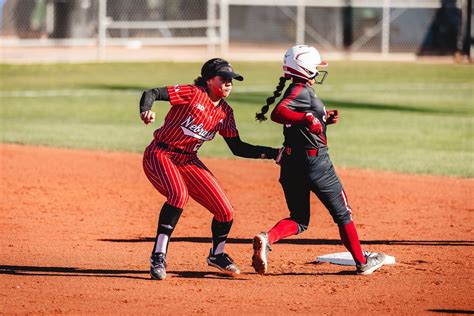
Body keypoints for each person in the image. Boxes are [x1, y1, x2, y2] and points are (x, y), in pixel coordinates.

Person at [139, 58, 279, 280]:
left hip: (188, 160)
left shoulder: (225, 113)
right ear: (208, 79)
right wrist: (146, 110)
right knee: (178, 196)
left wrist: (273, 153)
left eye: (231, 80)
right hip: (161, 153)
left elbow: (237, 147)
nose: (229, 84)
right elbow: (152, 93)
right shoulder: (193, 93)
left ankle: (217, 254)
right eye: (223, 79)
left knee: (225, 211)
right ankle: (158, 255)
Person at [252, 45, 386, 275]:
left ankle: (268, 237)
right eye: (316, 66)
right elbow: (279, 113)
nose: (318, 69)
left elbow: (298, 119)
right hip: (316, 165)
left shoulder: (298, 90)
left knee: (300, 219)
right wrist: (307, 118)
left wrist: (323, 119)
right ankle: (362, 262)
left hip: (292, 164)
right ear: (306, 69)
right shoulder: (299, 91)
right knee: (343, 215)